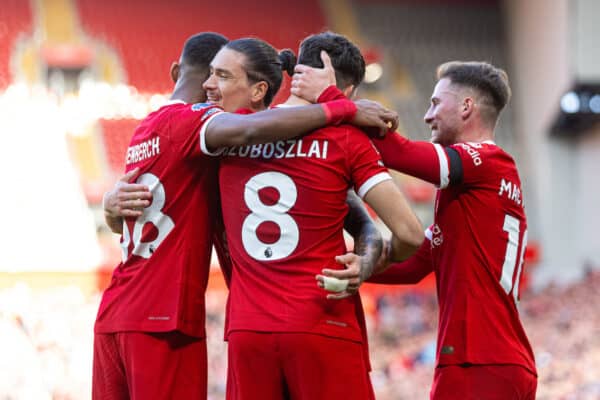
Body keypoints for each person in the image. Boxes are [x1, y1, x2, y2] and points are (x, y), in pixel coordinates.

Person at [94, 32, 398, 400]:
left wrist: (111, 208)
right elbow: (250, 128)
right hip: (171, 318)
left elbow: (129, 215)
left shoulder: (149, 129)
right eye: (212, 75)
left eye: (222, 76)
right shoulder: (207, 130)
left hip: (129, 311)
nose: (211, 86)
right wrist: (344, 108)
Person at [294, 60, 538, 399]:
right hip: (497, 361)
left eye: (436, 103)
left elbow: (401, 152)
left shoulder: (485, 160)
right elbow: (412, 263)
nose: (427, 115)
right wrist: (347, 265)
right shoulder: (470, 196)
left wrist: (333, 102)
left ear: (467, 106)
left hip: (479, 361)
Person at [200, 34, 423, 400]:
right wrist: (374, 263)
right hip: (322, 319)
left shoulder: (232, 132)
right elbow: (410, 234)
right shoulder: (346, 141)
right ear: (347, 91)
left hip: (248, 330)